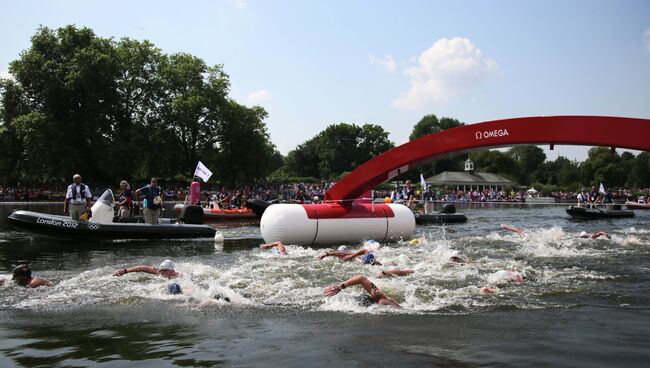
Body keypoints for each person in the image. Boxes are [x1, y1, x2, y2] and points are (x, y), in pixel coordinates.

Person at [324, 275, 400, 308]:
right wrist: (340, 286)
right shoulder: (381, 299)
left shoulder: (381, 300)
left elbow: (361, 278)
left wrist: (340, 286)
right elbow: (361, 278)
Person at [112, 259, 179, 279]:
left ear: (172, 271)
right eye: (160, 270)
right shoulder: (159, 273)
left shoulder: (178, 276)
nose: (161, 273)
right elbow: (143, 268)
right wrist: (125, 271)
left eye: (164, 270)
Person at [316, 247, 382, 266]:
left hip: (365, 260)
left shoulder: (345, 258)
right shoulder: (350, 255)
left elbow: (340, 253)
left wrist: (327, 254)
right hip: (367, 258)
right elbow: (364, 250)